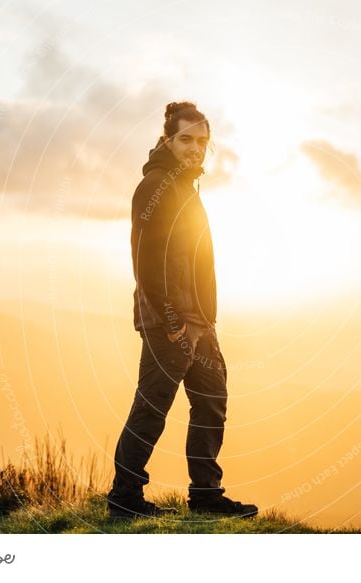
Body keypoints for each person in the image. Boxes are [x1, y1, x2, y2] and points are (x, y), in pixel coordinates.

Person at [107, 101, 259, 520]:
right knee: (152, 407)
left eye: (202, 141)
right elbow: (147, 260)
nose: (195, 148)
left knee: (211, 401)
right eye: (186, 139)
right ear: (167, 140)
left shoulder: (185, 187)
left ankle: (206, 497)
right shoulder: (156, 185)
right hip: (168, 324)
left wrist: (204, 320)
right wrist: (175, 323)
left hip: (198, 323)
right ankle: (124, 497)